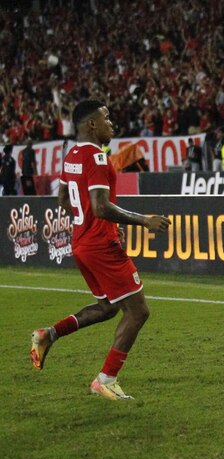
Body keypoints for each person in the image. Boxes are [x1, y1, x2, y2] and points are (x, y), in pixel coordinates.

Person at [30, 99, 171, 400]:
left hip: (81, 243)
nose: (112, 123)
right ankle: (106, 380)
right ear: (92, 124)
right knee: (138, 311)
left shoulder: (72, 155)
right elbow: (101, 206)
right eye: (106, 118)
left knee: (108, 307)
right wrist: (144, 220)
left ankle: (48, 334)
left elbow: (64, 200)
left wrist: (95, 223)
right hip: (100, 246)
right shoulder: (96, 158)